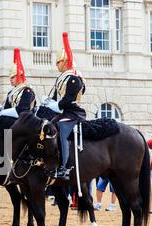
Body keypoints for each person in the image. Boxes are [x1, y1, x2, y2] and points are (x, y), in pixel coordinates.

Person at [44, 32, 86, 180]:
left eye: (59, 62)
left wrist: (53, 104)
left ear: (66, 61)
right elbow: (55, 98)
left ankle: (65, 167)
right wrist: (46, 103)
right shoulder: (61, 78)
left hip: (73, 112)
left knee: (61, 130)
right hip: (63, 112)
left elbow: (66, 101)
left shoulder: (74, 78)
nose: (57, 64)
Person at [0, 48, 35, 127]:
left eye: (13, 77)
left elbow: (22, 110)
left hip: (25, 120)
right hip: (13, 120)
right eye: (10, 77)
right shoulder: (11, 93)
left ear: (20, 76)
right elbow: (7, 107)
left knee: (2, 121)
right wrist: (0, 110)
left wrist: (3, 113)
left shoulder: (27, 91)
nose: (10, 79)